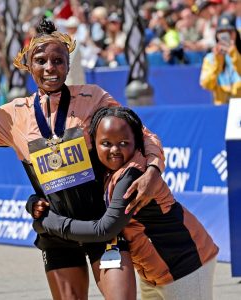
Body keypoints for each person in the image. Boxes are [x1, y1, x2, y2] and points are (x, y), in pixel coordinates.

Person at [0, 18, 167, 300]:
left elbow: (140, 133)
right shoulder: (14, 115)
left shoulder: (92, 98)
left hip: (103, 225)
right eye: (41, 60)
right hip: (56, 231)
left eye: (58, 61)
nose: (50, 68)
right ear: (28, 66)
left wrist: (154, 168)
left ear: (68, 65)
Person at [29, 106, 219, 300]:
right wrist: (33, 202)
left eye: (123, 143)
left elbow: (104, 230)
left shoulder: (132, 175)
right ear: (93, 142)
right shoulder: (107, 169)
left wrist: (46, 224)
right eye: (106, 143)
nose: (114, 150)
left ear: (136, 143)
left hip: (187, 266)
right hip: (155, 272)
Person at [200, 12, 241, 105]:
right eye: (221, 32)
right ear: (216, 35)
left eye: (230, 32)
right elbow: (206, 84)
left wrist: (234, 54)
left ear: (236, 34)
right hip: (221, 108)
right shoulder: (210, 58)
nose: (226, 36)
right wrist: (218, 62)